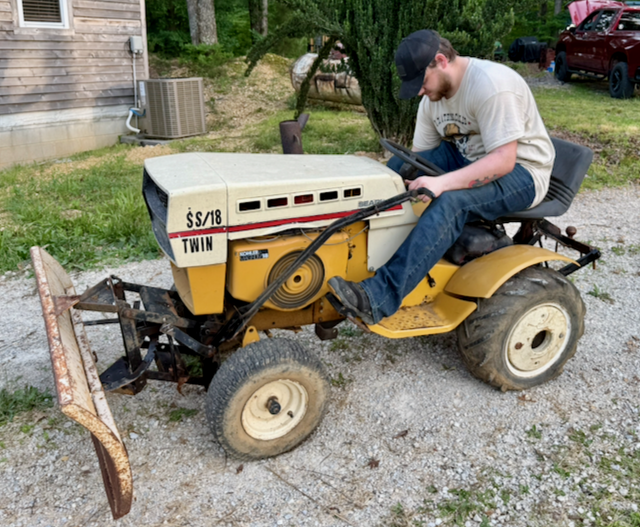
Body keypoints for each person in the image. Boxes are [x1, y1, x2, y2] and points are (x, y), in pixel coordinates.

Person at [328, 29, 555, 325]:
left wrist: (441, 183)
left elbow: (503, 161)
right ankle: (343, 255)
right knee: (398, 168)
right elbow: (418, 158)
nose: (420, 92)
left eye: (421, 82)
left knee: (452, 203)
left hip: (523, 172)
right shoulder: (432, 101)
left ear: (440, 61)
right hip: (468, 158)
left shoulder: (492, 85)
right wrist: (410, 179)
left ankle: (378, 298)